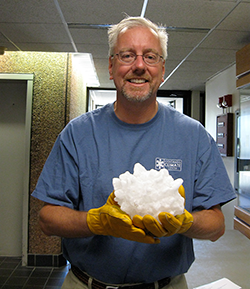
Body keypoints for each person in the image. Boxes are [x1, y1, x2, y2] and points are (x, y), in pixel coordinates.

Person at [32, 16, 236, 289]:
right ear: (111, 66)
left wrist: (183, 222)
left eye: (150, 57)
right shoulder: (78, 134)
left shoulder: (194, 136)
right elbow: (48, 218)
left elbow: (216, 225)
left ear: (162, 70)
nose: (139, 66)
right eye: (127, 55)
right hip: (86, 283)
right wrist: (98, 221)